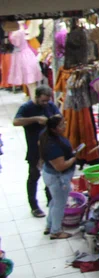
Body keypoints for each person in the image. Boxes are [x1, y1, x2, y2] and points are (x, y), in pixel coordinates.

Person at [15, 85, 57, 218]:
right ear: (36, 96)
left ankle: (51, 201)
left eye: (47, 101)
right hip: (34, 149)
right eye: (43, 101)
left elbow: (58, 116)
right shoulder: (27, 108)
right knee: (34, 176)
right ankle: (34, 206)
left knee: (50, 175)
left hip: (49, 148)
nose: (45, 103)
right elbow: (16, 121)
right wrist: (35, 119)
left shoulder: (49, 106)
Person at [38, 116, 76, 239]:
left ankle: (50, 225)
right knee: (59, 203)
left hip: (51, 176)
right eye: (61, 125)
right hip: (57, 178)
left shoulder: (46, 135)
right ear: (53, 129)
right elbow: (60, 166)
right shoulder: (52, 145)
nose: (64, 126)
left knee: (54, 201)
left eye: (64, 123)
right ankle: (56, 231)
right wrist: (73, 159)